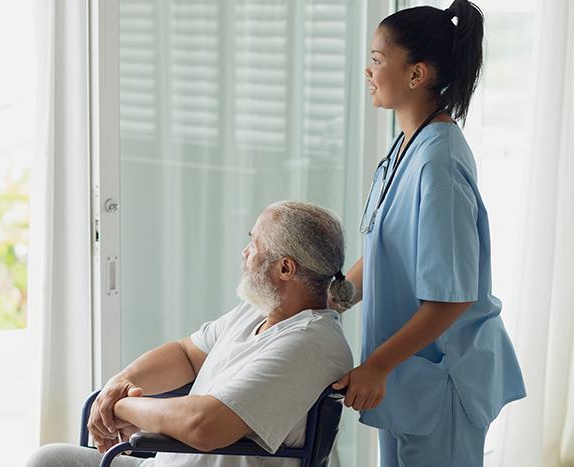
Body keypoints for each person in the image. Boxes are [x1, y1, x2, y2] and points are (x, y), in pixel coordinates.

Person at [327, 1, 526, 466]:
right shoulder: (407, 146)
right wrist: (329, 298)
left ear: (416, 74)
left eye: (378, 59)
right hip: (408, 378)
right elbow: (384, 248)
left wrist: (376, 365)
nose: (368, 70)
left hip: (441, 381)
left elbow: (453, 296)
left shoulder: (438, 164)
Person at [26, 201, 354, 467]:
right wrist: (118, 383)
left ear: (285, 268)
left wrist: (121, 406)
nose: (244, 253)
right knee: (50, 459)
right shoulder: (261, 312)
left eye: (253, 244)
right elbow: (186, 354)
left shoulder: (312, 342)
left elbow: (204, 425)